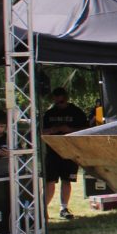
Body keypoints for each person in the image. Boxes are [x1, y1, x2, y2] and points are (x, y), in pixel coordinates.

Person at [41, 87, 88, 219]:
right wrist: (53, 130)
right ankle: (43, 209)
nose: (59, 104)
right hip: (53, 152)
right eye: (57, 102)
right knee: (50, 181)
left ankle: (64, 208)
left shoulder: (76, 112)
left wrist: (69, 129)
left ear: (66, 98)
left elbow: (86, 129)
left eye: (61, 102)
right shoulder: (49, 114)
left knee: (67, 180)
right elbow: (42, 132)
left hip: (69, 151)